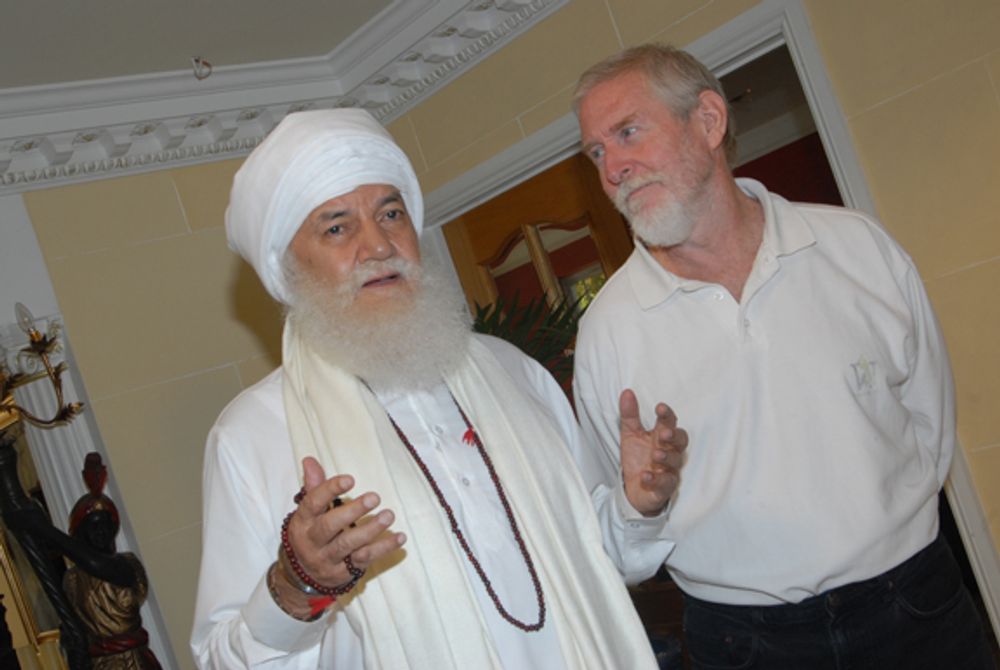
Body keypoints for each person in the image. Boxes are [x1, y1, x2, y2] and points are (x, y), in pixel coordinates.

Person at [190, 108, 670, 669]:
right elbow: (223, 660)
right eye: (337, 227)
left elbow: (600, 559)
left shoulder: (512, 371)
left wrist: (636, 505)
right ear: (287, 269)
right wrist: (299, 585)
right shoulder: (251, 435)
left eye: (391, 213)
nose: (378, 245)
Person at [571, 44, 997, 670]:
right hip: (744, 646)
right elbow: (613, 545)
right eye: (596, 152)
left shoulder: (856, 249)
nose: (613, 169)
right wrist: (640, 504)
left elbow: (929, 422)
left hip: (917, 609)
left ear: (708, 120)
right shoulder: (607, 332)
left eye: (628, 132)